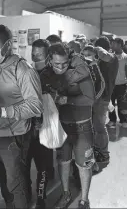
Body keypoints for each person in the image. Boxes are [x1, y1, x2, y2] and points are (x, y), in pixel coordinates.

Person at [0, 25, 43, 208]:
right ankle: (10, 203)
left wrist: (2, 112)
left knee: (16, 182)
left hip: (13, 137)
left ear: (7, 44)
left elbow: (35, 105)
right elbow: (3, 97)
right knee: (1, 177)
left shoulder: (23, 69)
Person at [40, 42, 95, 209]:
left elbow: (90, 99)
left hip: (82, 126)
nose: (61, 67)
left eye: (64, 63)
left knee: (83, 165)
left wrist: (67, 100)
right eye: (57, 64)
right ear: (50, 60)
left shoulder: (80, 72)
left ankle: (84, 200)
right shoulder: (47, 74)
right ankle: (65, 194)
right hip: (61, 126)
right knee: (63, 162)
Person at [84, 36, 119, 166]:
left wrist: (96, 48)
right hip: (96, 97)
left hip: (102, 97)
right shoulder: (100, 60)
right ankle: (98, 150)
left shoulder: (111, 58)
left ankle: (104, 154)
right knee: (95, 126)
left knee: (99, 126)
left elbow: (104, 56)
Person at [30, 39, 55, 209]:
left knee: (42, 165)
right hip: (28, 128)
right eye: (33, 54)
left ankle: (41, 197)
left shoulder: (54, 75)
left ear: (47, 56)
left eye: (39, 55)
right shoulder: (29, 72)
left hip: (45, 127)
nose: (35, 57)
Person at [108, 38, 127, 128]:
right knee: (111, 104)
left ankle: (123, 120)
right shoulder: (109, 56)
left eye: (114, 44)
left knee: (122, 104)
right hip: (111, 85)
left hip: (122, 85)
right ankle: (112, 120)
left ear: (120, 45)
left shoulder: (126, 57)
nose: (112, 46)